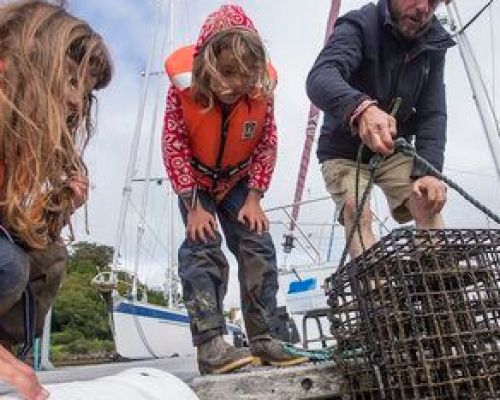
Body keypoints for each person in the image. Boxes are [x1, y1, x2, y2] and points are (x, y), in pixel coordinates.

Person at [162, 4, 308, 375]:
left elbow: (266, 143)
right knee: (202, 248)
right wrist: (193, 204)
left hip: (239, 180)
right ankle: (211, 344)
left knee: (257, 244)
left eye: (243, 76)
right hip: (196, 183)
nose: (232, 85)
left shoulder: (262, 94)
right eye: (225, 73)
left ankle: (265, 338)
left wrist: (255, 197)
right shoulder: (182, 92)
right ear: (207, 64)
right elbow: (173, 144)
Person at [0, 1, 112, 398]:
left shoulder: (23, 147)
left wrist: (61, 206)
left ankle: (15, 355)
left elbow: (18, 227)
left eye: (84, 93)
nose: (76, 103)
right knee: (7, 263)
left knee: (47, 255)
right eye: (69, 81)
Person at [306, 0, 455, 259]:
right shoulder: (359, 25)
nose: (423, 8)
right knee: (356, 209)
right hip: (342, 150)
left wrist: (429, 171)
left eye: (433, 2)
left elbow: (433, 113)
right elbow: (321, 76)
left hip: (392, 148)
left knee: (427, 199)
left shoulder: (434, 43)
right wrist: (361, 108)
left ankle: (439, 281)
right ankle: (378, 290)